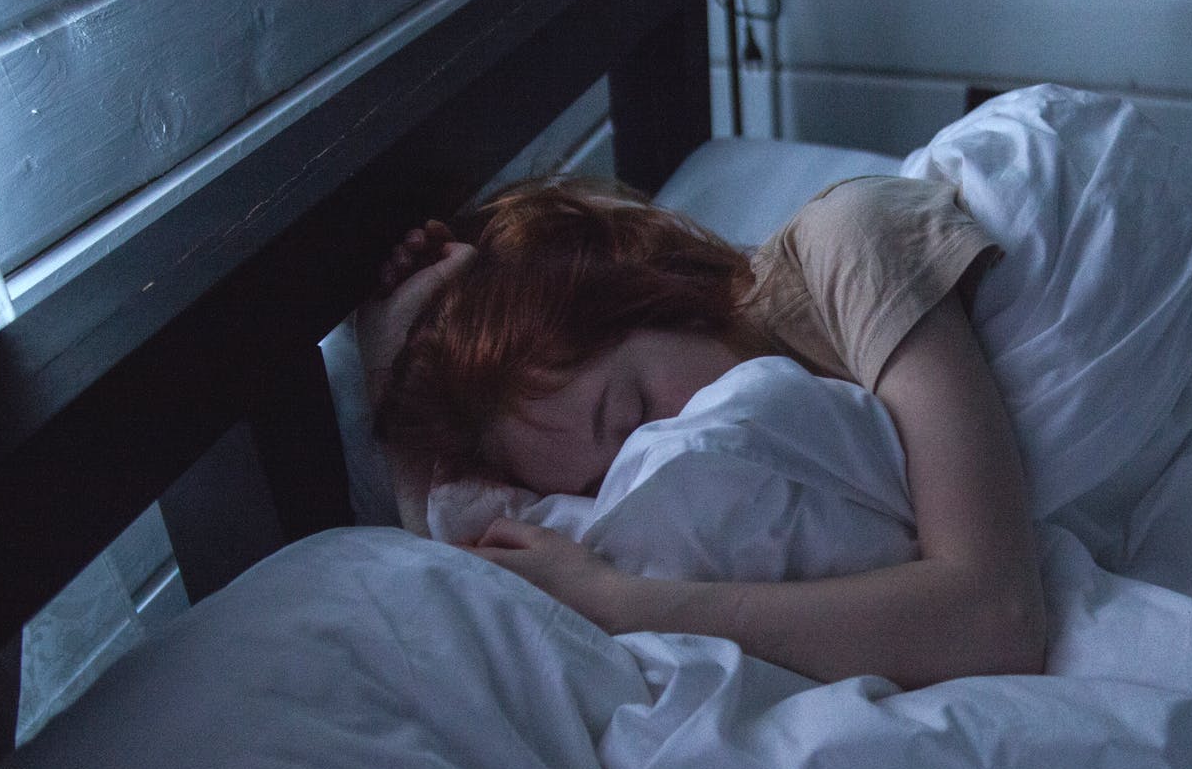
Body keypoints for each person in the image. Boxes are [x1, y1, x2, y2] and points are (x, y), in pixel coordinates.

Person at [357, 175, 1046, 689]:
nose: (663, 455)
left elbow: (996, 616)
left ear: (654, 292)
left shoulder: (850, 244)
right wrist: (391, 385)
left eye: (632, 413)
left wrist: (623, 604)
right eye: (601, 483)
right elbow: (464, 581)